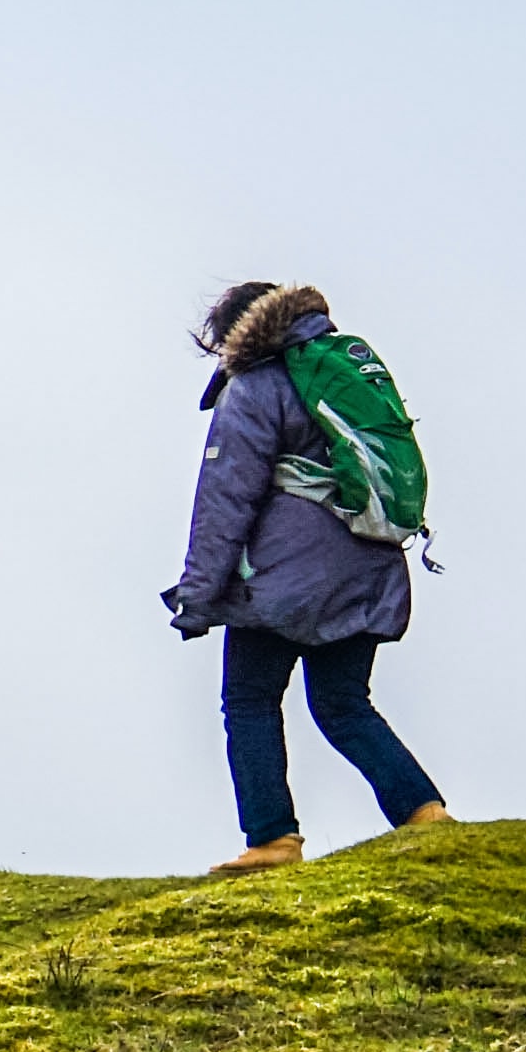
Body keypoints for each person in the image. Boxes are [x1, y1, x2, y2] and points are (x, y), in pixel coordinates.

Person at [166, 278, 453, 875]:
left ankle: (273, 840)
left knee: (248, 701)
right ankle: (426, 815)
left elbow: (226, 499)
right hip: (370, 564)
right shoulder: (335, 373)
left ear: (233, 337)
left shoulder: (255, 387)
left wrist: (198, 596)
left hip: (283, 582)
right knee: (345, 703)